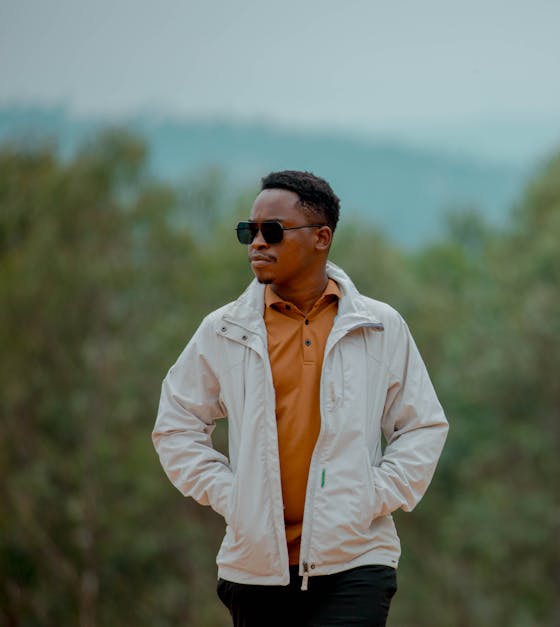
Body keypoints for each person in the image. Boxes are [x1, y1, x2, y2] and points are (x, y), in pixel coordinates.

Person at [152, 170, 449, 626]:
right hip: (255, 568)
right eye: (248, 231)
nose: (256, 243)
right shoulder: (223, 330)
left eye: (272, 231)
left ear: (321, 238)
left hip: (356, 560)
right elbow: (176, 426)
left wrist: (371, 496)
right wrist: (234, 496)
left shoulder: (380, 326)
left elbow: (422, 427)